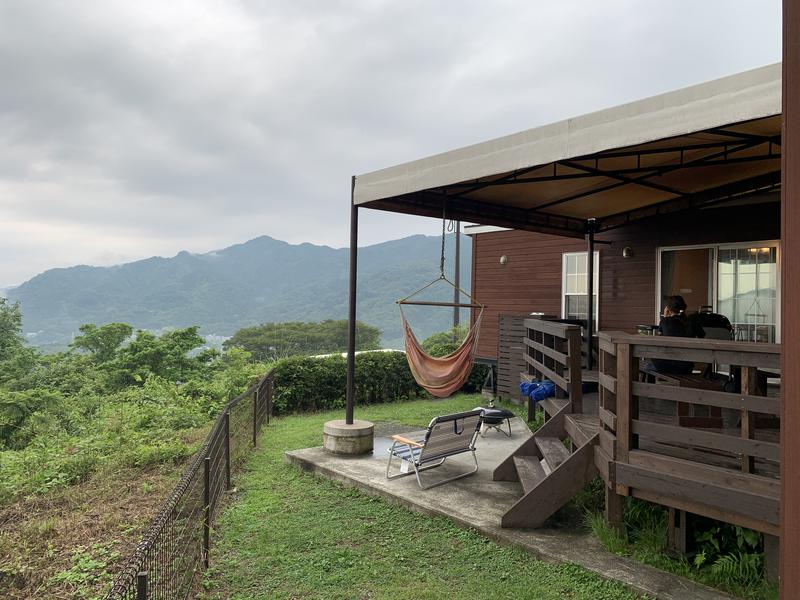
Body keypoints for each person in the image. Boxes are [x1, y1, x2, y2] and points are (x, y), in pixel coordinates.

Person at [644, 295, 704, 375]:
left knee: (647, 366)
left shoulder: (664, 321)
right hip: (686, 367)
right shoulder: (692, 321)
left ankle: (652, 387)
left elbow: (660, 340)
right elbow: (702, 337)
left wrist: (665, 317)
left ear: (668, 309)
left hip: (664, 365)